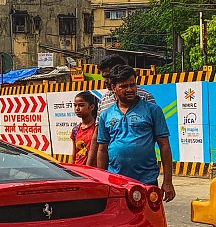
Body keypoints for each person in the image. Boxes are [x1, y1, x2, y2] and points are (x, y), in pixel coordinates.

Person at [96, 65, 175, 202]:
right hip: (116, 182)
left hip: (147, 181)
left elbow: (165, 146)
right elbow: (102, 150)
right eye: (124, 86)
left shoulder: (152, 110)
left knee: (148, 221)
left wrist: (167, 182)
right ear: (114, 88)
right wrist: (102, 181)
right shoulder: (106, 115)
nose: (130, 89)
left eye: (132, 85)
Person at [86, 54, 155, 167]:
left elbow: (162, 141)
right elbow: (98, 137)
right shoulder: (104, 100)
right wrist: (89, 168)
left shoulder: (145, 98)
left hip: (144, 172)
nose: (106, 81)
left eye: (108, 77)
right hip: (113, 170)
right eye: (104, 78)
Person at [70, 91, 99, 165]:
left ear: (91, 107)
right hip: (79, 169)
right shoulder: (75, 130)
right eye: (75, 105)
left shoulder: (97, 128)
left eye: (81, 105)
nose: (77, 109)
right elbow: (74, 155)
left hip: (93, 170)